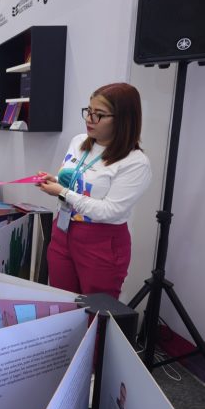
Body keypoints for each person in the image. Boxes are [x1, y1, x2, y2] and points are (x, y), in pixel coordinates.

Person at [38, 83, 151, 299]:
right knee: (62, 302)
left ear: (123, 120)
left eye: (99, 114)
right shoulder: (79, 142)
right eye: (88, 111)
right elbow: (76, 181)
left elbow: (109, 211)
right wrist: (55, 182)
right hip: (63, 229)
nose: (90, 119)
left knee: (96, 312)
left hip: (100, 242)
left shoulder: (135, 162)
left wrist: (63, 192)